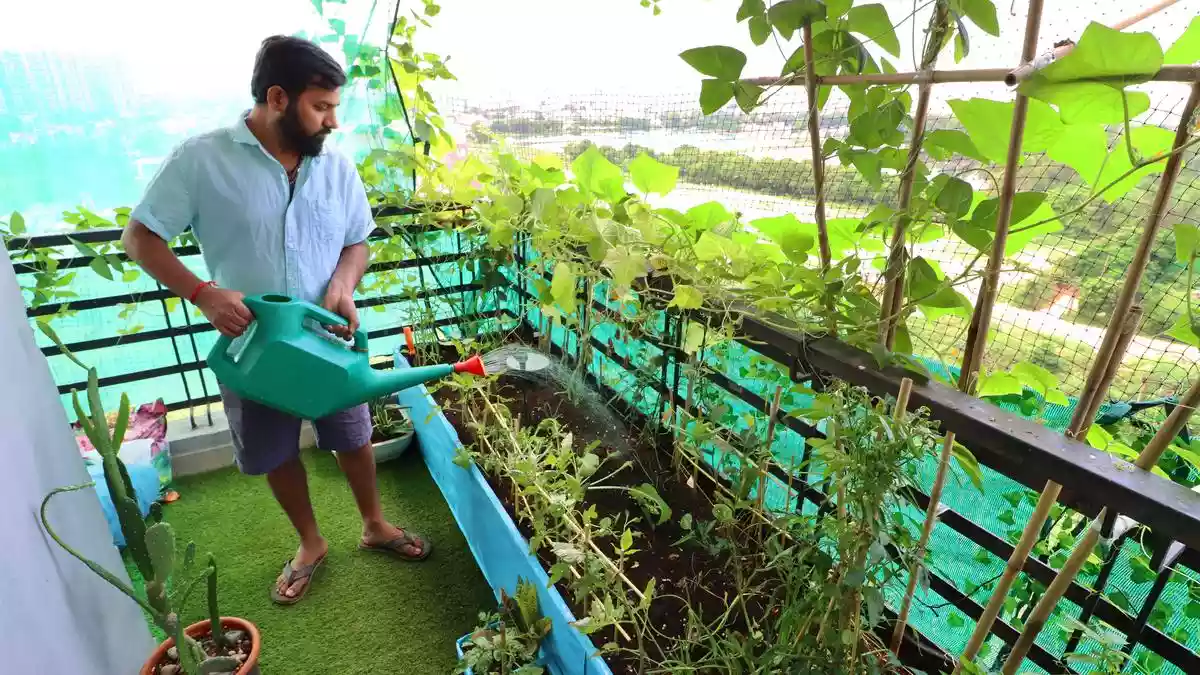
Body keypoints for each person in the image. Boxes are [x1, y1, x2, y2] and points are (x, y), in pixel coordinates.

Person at [122, 35, 430, 605]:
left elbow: (357, 241)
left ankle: (374, 524)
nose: (333, 122)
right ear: (278, 98)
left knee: (354, 435)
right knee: (274, 451)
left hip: (325, 338)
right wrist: (204, 293)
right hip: (254, 345)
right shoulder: (202, 159)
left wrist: (342, 284)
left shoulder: (334, 167)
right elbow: (140, 238)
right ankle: (310, 543)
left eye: (336, 108)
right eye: (322, 107)